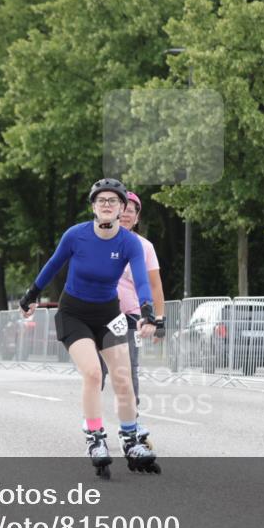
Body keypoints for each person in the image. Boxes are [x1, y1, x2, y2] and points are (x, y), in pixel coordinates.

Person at [19, 178, 160, 478]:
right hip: (74, 313)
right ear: (93, 206)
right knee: (94, 373)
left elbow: (142, 279)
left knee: (123, 378)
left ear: (122, 208)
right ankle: (95, 438)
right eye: (101, 200)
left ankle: (131, 439)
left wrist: (148, 309)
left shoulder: (130, 242)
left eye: (113, 201)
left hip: (109, 314)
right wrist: (31, 294)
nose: (107, 205)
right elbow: (53, 265)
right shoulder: (76, 235)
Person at [100, 191, 166, 443]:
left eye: (132, 211)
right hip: (98, 314)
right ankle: (94, 427)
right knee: (97, 371)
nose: (126, 214)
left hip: (129, 317)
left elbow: (155, 286)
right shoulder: (99, 240)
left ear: (137, 217)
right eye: (123, 208)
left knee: (128, 371)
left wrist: (158, 320)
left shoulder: (144, 246)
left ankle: (131, 424)